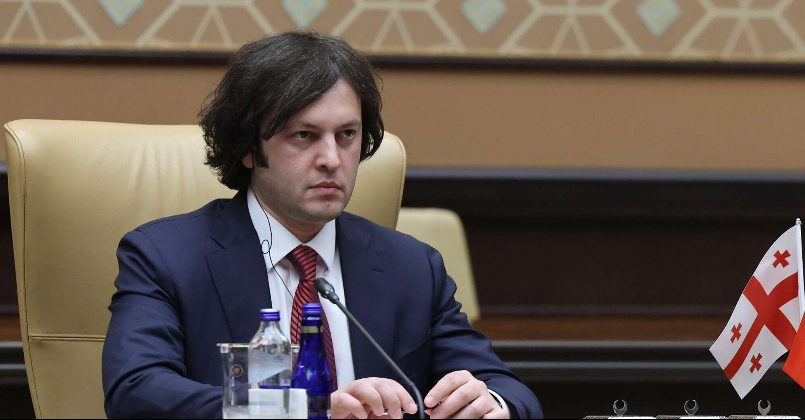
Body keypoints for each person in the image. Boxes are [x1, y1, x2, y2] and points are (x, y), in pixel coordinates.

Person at [102, 31, 542, 419]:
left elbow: (510, 391)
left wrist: (490, 403)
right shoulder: (167, 257)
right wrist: (307, 410)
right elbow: (136, 392)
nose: (332, 159)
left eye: (346, 135)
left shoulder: (412, 267)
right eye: (304, 135)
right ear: (249, 148)